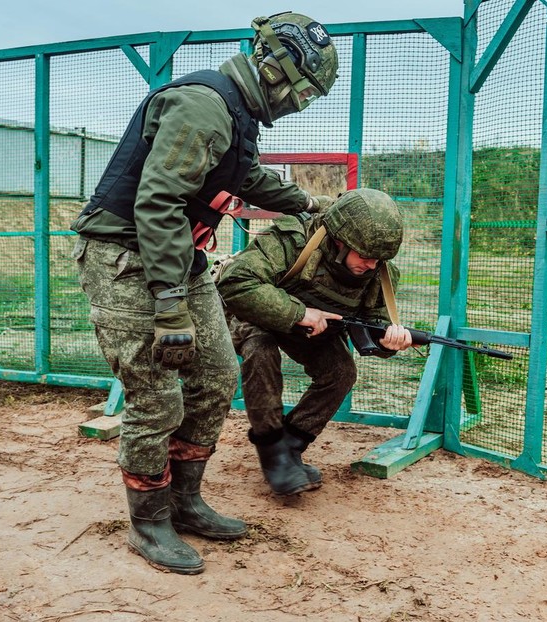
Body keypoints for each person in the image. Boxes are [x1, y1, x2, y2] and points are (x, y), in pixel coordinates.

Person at [69, 12, 338, 575]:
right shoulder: (203, 107)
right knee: (156, 395)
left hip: (174, 258)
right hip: (126, 261)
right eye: (304, 91)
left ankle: (185, 501)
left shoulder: (234, 116)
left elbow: (241, 178)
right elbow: (159, 203)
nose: (300, 104)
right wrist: (169, 304)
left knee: (216, 375)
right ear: (277, 68)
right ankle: (148, 522)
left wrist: (310, 205)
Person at [216, 188, 413, 496]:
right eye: (365, 256)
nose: (372, 266)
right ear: (339, 241)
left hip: (311, 328)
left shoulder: (380, 271)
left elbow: (374, 322)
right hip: (253, 312)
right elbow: (236, 283)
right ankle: (271, 450)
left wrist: (388, 340)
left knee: (340, 371)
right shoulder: (292, 240)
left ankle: (291, 445)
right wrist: (299, 313)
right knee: (260, 349)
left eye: (379, 259)